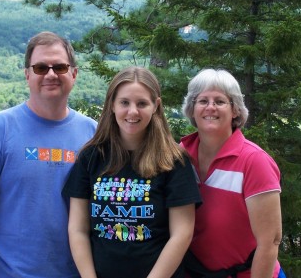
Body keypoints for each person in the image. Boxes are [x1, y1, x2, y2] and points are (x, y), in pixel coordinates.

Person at [0, 31, 97, 278]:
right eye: (41, 67)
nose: (51, 74)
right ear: (27, 74)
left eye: (60, 67)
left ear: (74, 73)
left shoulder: (93, 133)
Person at [62, 66, 202, 278]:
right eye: (124, 102)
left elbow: (182, 234)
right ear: (112, 105)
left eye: (142, 103)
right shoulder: (91, 157)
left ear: (156, 106)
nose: (132, 111)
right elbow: (78, 229)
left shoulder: (173, 161)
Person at [180, 68, 286, 278]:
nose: (210, 107)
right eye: (202, 101)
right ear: (192, 109)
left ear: (235, 110)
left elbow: (270, 241)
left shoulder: (254, 161)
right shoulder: (180, 156)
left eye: (219, 101)